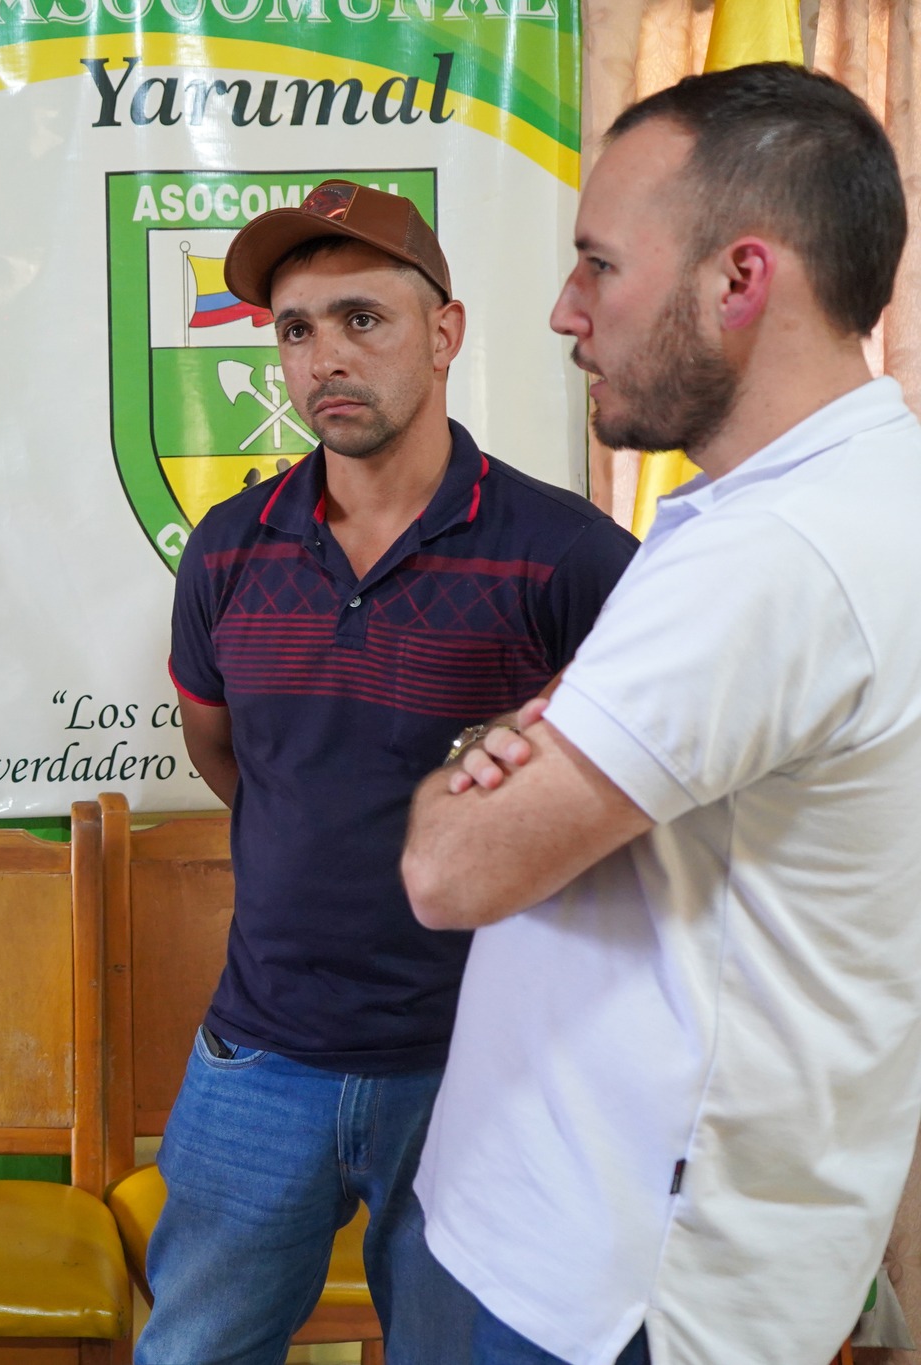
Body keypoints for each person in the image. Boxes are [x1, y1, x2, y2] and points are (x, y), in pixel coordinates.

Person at [401, 63, 921, 1365]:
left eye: (599, 265)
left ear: (739, 280)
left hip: (606, 1291)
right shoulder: (858, 493)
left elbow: (450, 867)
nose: (564, 311)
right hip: (592, 1226)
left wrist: (490, 745)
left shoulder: (773, 559)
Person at [143, 181, 637, 1365]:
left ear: (443, 332)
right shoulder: (228, 548)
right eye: (295, 330)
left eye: (360, 319)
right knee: (189, 1353)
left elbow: (641, 799)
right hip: (259, 1054)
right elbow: (226, 755)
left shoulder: (565, 556)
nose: (324, 358)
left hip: (477, 1067)